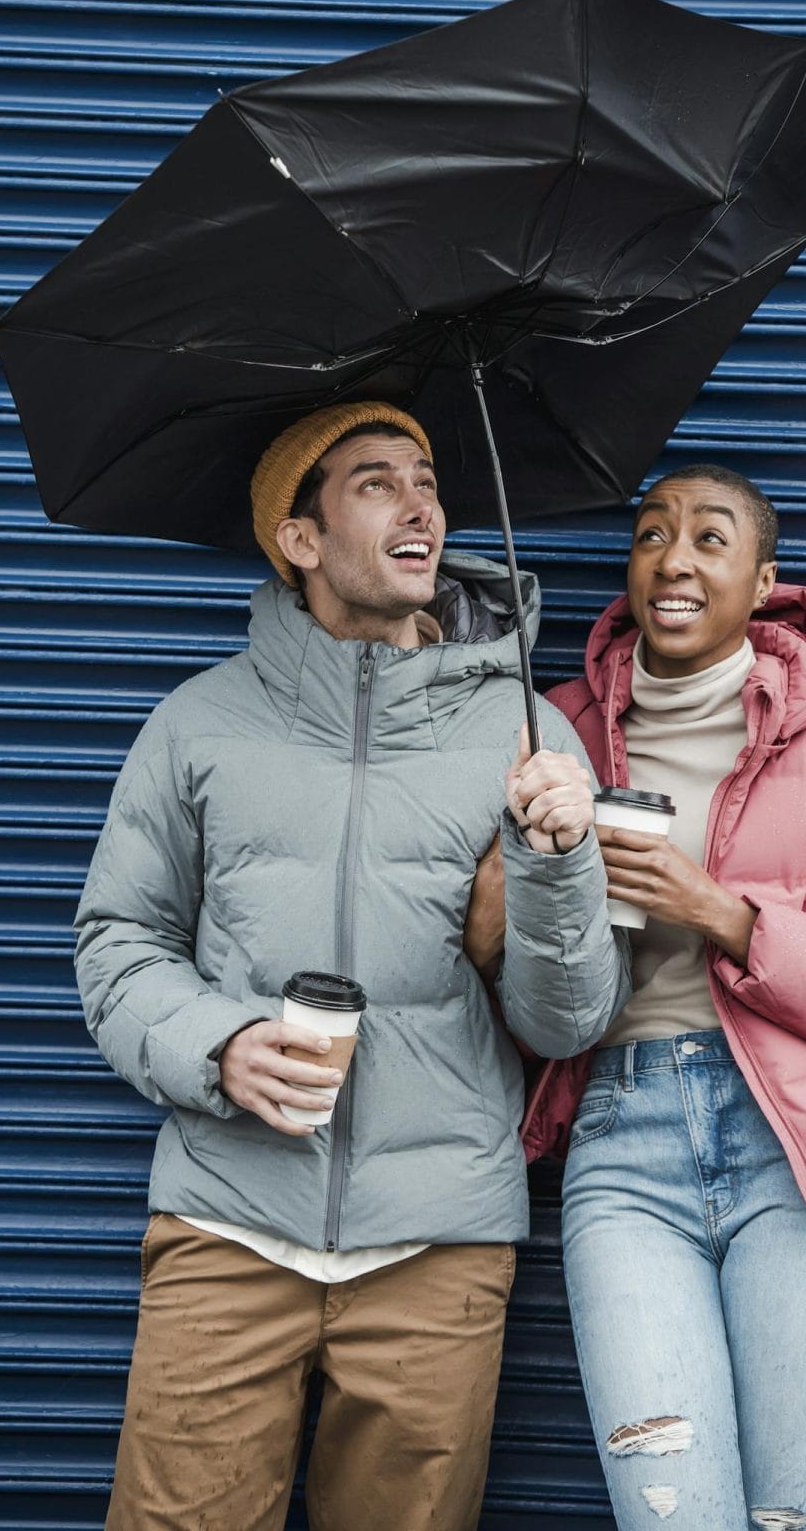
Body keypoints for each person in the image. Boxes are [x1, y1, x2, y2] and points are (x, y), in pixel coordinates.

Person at [74, 400, 629, 1531]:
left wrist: (563, 862)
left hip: (437, 1245)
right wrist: (217, 1047)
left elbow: (565, 1023)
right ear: (300, 538)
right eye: (375, 482)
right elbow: (117, 941)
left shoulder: (527, 738)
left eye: (425, 478)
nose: (420, 503)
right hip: (226, 1224)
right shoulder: (198, 724)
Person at [517, 462, 806, 1531]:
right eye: (649, 534)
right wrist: (543, 877)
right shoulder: (553, 737)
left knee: (782, 1520)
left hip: (797, 1152)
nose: (671, 558)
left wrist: (723, 914)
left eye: (708, 538)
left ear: (761, 578)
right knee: (671, 1514)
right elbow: (526, 1010)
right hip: (622, 1156)